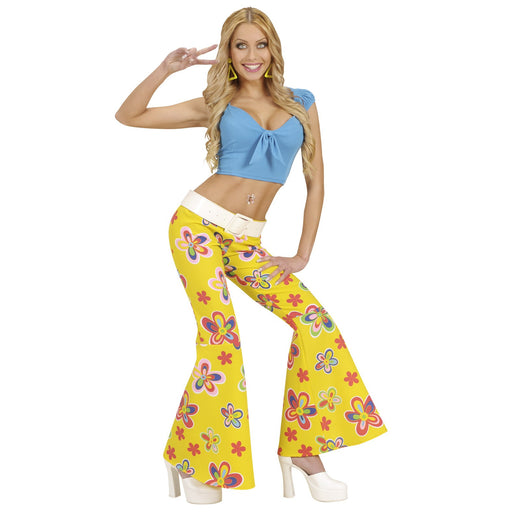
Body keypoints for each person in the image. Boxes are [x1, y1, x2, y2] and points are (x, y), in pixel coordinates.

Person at [115, 6, 387, 504]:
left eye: (260, 44)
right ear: (228, 52)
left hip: (247, 242)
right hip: (197, 228)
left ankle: (305, 452)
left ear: (273, 49)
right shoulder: (217, 102)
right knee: (221, 341)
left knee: (315, 325)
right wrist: (165, 70)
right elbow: (128, 116)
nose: (251, 55)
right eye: (240, 45)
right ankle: (198, 461)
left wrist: (302, 254)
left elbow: (316, 181)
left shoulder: (302, 103)